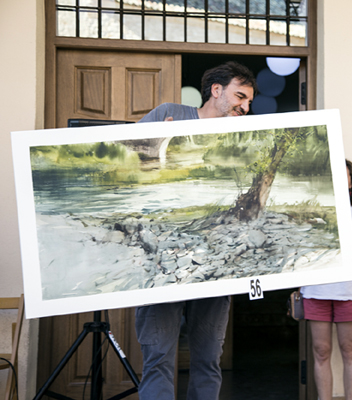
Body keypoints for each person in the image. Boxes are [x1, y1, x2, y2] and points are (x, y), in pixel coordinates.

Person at [135, 61, 256, 400]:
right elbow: (125, 162)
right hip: (161, 265)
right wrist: (155, 144)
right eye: (240, 96)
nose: (245, 108)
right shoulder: (169, 113)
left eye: (248, 102)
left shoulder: (244, 136)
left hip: (215, 267)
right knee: (158, 357)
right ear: (216, 91)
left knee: (207, 360)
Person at [300, 160, 352, 400]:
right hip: (316, 291)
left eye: (345, 177)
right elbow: (301, 252)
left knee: (349, 351)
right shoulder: (309, 214)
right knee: (320, 351)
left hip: (349, 292)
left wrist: (334, 217)